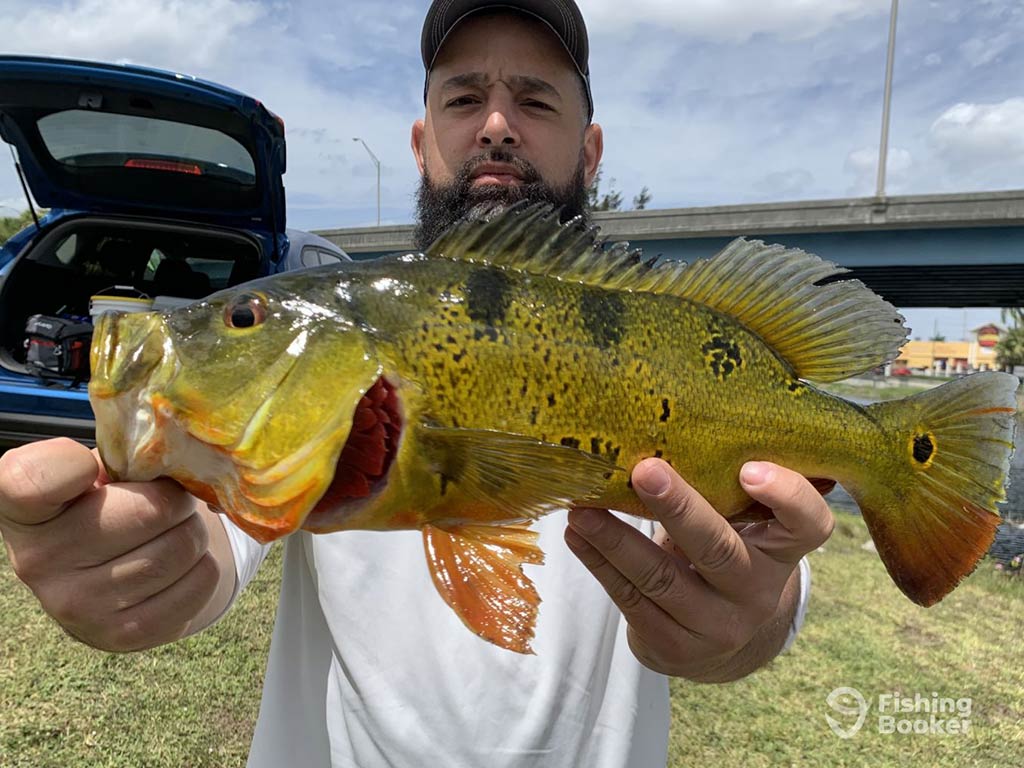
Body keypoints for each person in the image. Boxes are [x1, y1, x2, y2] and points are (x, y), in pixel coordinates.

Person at [0, 1, 834, 766]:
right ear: (421, 140)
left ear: (591, 151)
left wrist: (745, 621)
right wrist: (140, 573)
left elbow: (767, 586)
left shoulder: (672, 334)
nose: (497, 125)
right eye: (464, 99)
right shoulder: (330, 363)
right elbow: (211, 550)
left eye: (536, 102)